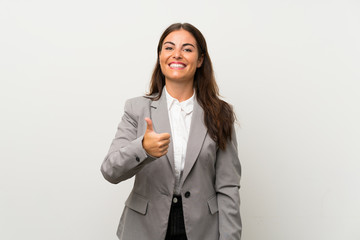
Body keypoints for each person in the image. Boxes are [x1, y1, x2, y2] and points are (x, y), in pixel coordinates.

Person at [101, 23, 241, 240]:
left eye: (187, 49)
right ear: (160, 56)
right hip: (145, 227)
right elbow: (110, 171)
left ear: (200, 60)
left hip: (202, 229)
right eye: (169, 48)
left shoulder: (220, 113)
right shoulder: (136, 108)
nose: (177, 54)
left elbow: (228, 186)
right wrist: (143, 149)